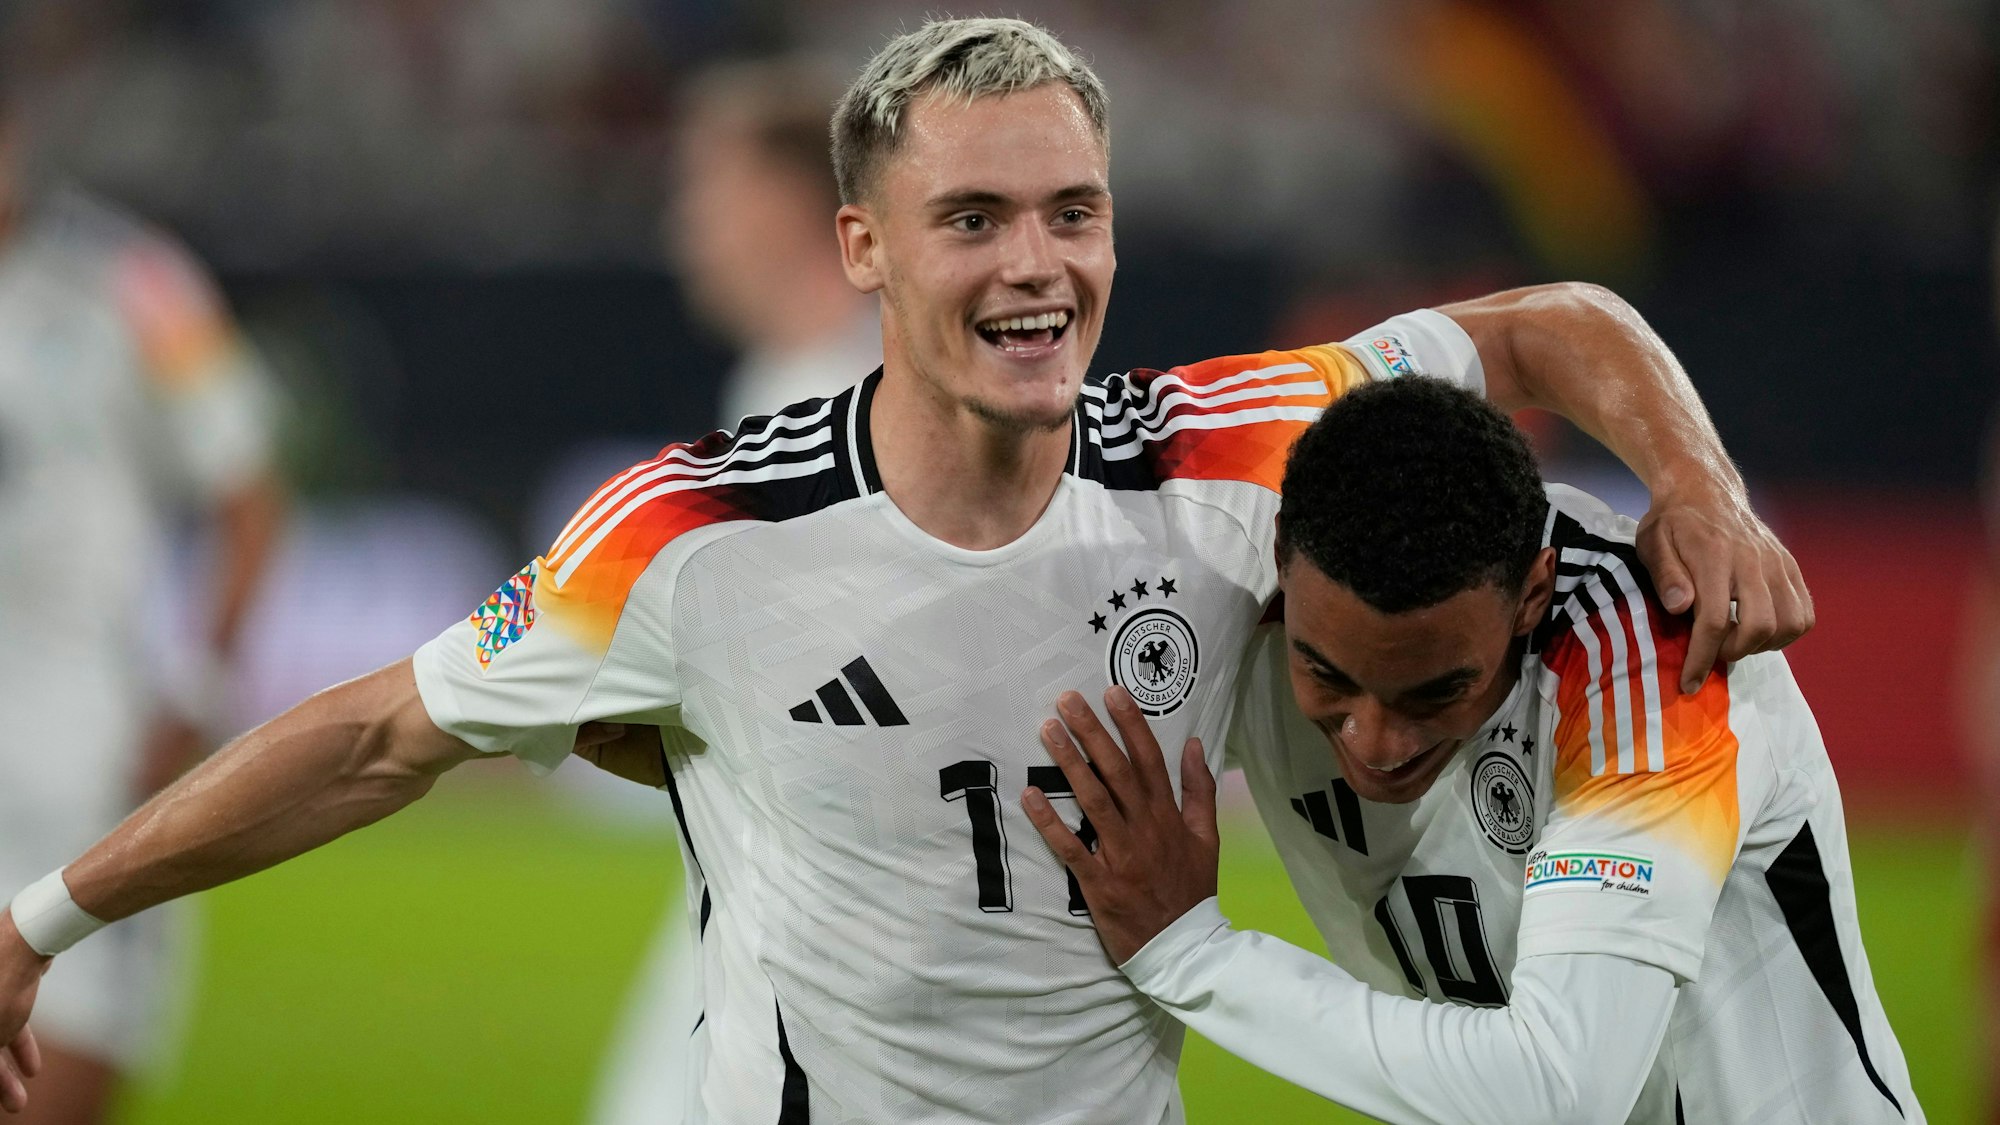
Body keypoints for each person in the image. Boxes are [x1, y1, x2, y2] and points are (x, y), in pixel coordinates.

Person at [0, 18, 1809, 1121]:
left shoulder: (1219, 443)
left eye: (1073, 212)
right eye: (975, 219)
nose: (1039, 266)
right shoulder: (695, 530)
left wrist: (1702, 485)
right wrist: (44, 919)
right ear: (861, 243)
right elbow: (380, 735)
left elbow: (1545, 325)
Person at [1027, 376, 1918, 1123]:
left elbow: (1559, 1087)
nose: (1374, 742)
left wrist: (1195, 954)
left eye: (1436, 690)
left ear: (1531, 596)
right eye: (1326, 674)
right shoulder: (1232, 600)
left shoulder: (1652, 659)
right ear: (1282, 571)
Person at [588, 57, 880, 1125]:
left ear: (778, 203)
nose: (682, 229)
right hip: (752, 888)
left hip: (806, 926)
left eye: (700, 191)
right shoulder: (785, 390)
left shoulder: (838, 410)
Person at [0, 84, 284, 1125]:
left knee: (67, 1070)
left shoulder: (138, 282)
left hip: (85, 752)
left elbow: (250, 496)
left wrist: (194, 690)